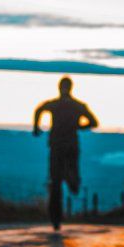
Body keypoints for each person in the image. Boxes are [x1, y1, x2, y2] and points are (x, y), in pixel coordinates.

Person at [33, 76, 99, 230]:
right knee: (69, 178)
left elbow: (39, 110)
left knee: (55, 182)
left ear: (59, 87)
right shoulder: (78, 106)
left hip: (56, 145)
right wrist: (77, 126)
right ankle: (71, 180)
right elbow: (93, 122)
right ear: (71, 88)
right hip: (71, 145)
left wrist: (36, 128)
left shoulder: (54, 105)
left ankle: (55, 218)